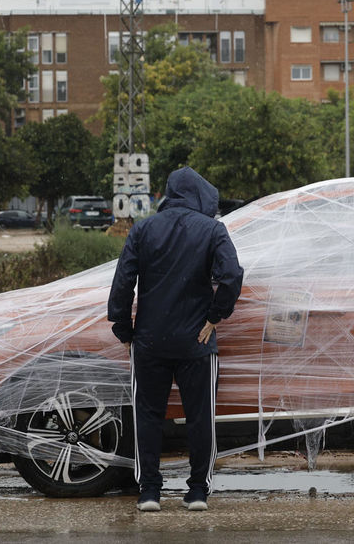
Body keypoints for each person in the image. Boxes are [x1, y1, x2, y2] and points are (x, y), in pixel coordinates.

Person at [107, 167, 244, 513]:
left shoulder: (143, 229)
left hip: (150, 340)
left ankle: (149, 492)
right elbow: (231, 276)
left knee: (148, 416)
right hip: (196, 341)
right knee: (201, 417)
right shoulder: (213, 230)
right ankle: (198, 491)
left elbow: (123, 283)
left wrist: (124, 329)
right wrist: (215, 316)